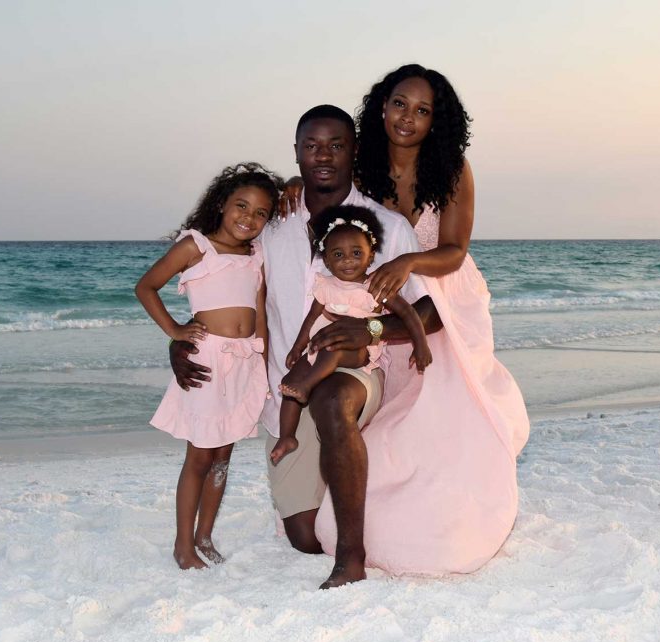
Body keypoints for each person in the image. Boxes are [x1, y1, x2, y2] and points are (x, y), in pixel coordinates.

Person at [170, 105, 441, 588]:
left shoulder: (385, 226)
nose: (323, 155)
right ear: (295, 154)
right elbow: (226, 285)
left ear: (354, 152)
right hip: (286, 390)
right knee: (303, 535)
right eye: (312, 146)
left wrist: (373, 331)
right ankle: (352, 495)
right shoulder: (270, 226)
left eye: (336, 145)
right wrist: (183, 335)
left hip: (356, 370)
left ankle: (351, 559)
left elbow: (431, 311)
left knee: (334, 396)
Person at [289, 65, 531, 575]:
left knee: (445, 419)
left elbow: (454, 250)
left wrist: (409, 262)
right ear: (382, 106)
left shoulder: (451, 168)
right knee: (397, 420)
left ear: (435, 121)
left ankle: (449, 522)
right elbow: (326, 186)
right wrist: (293, 181)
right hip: (379, 297)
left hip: (441, 293)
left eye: (423, 110)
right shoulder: (362, 165)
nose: (408, 118)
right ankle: (382, 523)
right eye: (401, 104)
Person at [136, 162, 281, 571]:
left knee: (223, 456)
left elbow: (260, 312)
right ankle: (183, 545)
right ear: (221, 204)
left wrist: (264, 361)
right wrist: (175, 331)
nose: (248, 219)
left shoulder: (256, 256)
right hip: (207, 360)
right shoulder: (195, 246)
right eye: (241, 206)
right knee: (199, 456)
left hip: (244, 361)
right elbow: (145, 286)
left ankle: (205, 535)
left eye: (260, 214)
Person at [270, 205, 431, 466]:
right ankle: (288, 436)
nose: (348, 260)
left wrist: (420, 345)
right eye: (338, 254)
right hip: (319, 348)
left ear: (370, 257)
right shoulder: (325, 285)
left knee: (333, 345)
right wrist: (297, 348)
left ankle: (308, 386)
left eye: (356, 253)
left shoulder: (376, 287)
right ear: (327, 259)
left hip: (358, 352)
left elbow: (409, 314)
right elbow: (310, 319)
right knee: (289, 382)